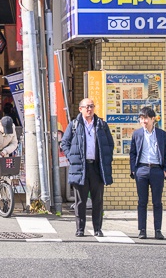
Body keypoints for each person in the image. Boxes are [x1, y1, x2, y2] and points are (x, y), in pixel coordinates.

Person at [60, 97, 114, 237]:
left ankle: (97, 228)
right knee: (80, 201)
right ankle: (80, 229)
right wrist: (72, 157)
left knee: (98, 200)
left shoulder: (101, 125)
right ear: (80, 109)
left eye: (91, 106)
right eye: (87, 107)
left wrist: (107, 160)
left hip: (96, 167)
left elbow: (110, 144)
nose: (89, 109)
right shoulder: (74, 125)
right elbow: (64, 143)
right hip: (80, 167)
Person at [129, 106, 166, 240]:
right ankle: (142, 230)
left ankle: (158, 230)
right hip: (141, 169)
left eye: (146, 118)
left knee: (157, 202)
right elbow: (133, 152)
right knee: (142, 201)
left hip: (157, 170)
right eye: (141, 118)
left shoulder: (161, 134)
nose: (143, 121)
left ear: (153, 119)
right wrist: (134, 170)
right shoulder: (137, 134)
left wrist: (165, 170)